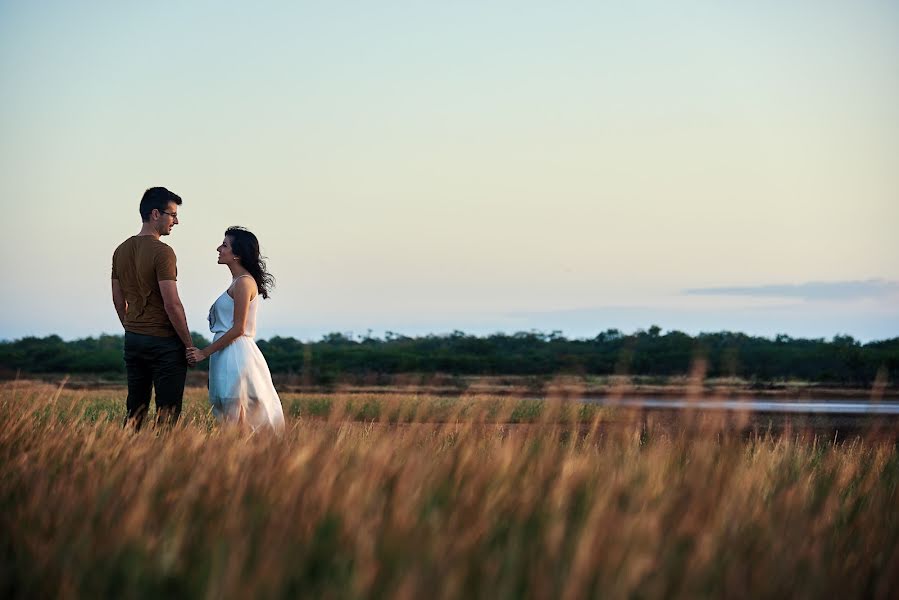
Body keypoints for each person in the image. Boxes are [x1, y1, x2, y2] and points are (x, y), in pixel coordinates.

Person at [186, 227, 285, 433]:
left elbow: (239, 328)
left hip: (236, 354)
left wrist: (204, 352)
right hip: (227, 352)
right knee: (230, 418)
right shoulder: (237, 282)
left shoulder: (244, 283)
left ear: (237, 254)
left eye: (224, 245)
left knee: (236, 416)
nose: (218, 249)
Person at [112, 187, 193, 429]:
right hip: (164, 343)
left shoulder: (121, 250)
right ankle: (162, 463)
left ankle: (128, 457)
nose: (176, 221)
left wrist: (131, 327)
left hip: (134, 340)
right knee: (168, 414)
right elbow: (172, 303)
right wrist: (188, 344)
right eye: (173, 215)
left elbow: (118, 299)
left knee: (135, 409)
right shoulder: (162, 252)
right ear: (155, 214)